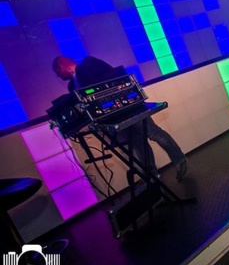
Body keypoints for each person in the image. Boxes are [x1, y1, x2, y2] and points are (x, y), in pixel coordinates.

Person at [52, 55, 188, 182]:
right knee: (138, 143)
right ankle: (152, 175)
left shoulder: (89, 63)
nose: (58, 76)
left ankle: (179, 160)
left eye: (57, 73)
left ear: (61, 67)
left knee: (153, 133)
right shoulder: (71, 86)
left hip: (130, 107)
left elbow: (112, 78)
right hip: (112, 117)